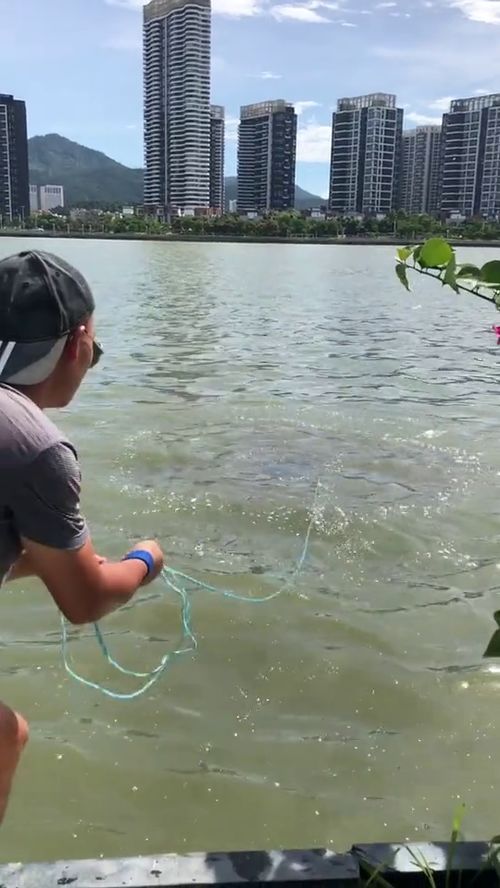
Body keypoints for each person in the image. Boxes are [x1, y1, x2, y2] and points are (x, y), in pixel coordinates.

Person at [0, 249, 165, 825]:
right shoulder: (34, 446)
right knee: (4, 738)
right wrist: (145, 559)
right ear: (76, 345)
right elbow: (86, 600)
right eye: (94, 348)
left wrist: (39, 559)